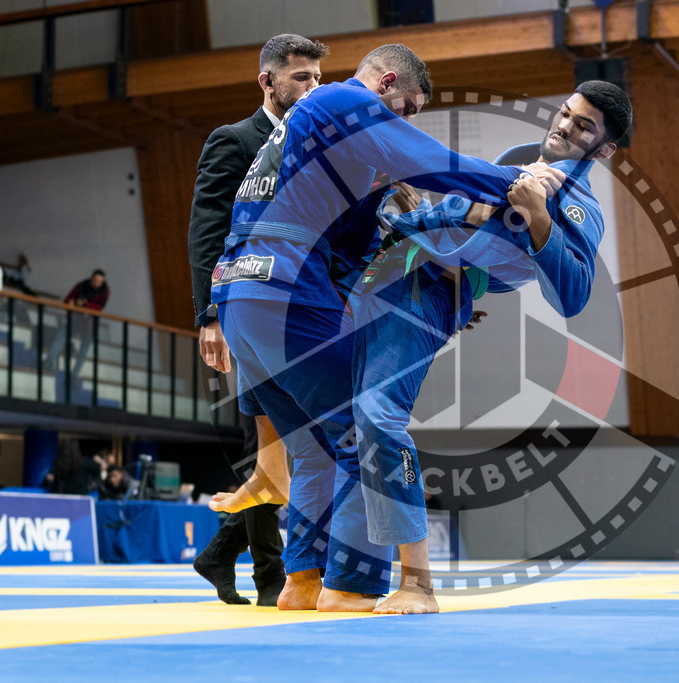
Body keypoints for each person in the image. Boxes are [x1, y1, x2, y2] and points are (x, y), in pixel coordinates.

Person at [211, 42, 563, 614]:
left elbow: (356, 247)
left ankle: (301, 583)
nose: (402, 122)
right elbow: (431, 162)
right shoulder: (343, 101)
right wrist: (518, 183)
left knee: (311, 452)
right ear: (387, 82)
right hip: (286, 290)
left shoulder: (309, 130)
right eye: (405, 108)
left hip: (239, 294)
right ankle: (349, 585)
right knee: (359, 434)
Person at [348, 80, 631, 614]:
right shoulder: (514, 162)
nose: (566, 126)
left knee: (377, 415)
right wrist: (417, 213)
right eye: (567, 113)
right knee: (333, 418)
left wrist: (540, 217)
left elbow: (572, 295)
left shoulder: (581, 208)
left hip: (425, 293)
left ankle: (418, 583)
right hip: (393, 271)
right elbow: (465, 222)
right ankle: (327, 576)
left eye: (584, 126)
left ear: (605, 149)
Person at [188, 33, 326, 607]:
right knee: (265, 442)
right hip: (244, 309)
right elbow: (206, 234)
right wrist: (209, 314)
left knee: (292, 446)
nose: (313, 87)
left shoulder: (318, 142)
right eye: (301, 77)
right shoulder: (234, 141)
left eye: (319, 78)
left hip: (303, 312)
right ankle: (273, 578)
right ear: (267, 81)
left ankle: (221, 552)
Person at [45, 269, 109, 380]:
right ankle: (49, 361)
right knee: (60, 338)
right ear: (91, 278)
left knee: (83, 351)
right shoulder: (81, 286)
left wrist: (86, 304)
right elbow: (67, 300)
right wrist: (75, 303)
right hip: (76, 320)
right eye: (96, 280)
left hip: (89, 325)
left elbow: (100, 308)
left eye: (100, 281)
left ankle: (74, 375)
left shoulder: (104, 291)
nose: (97, 283)